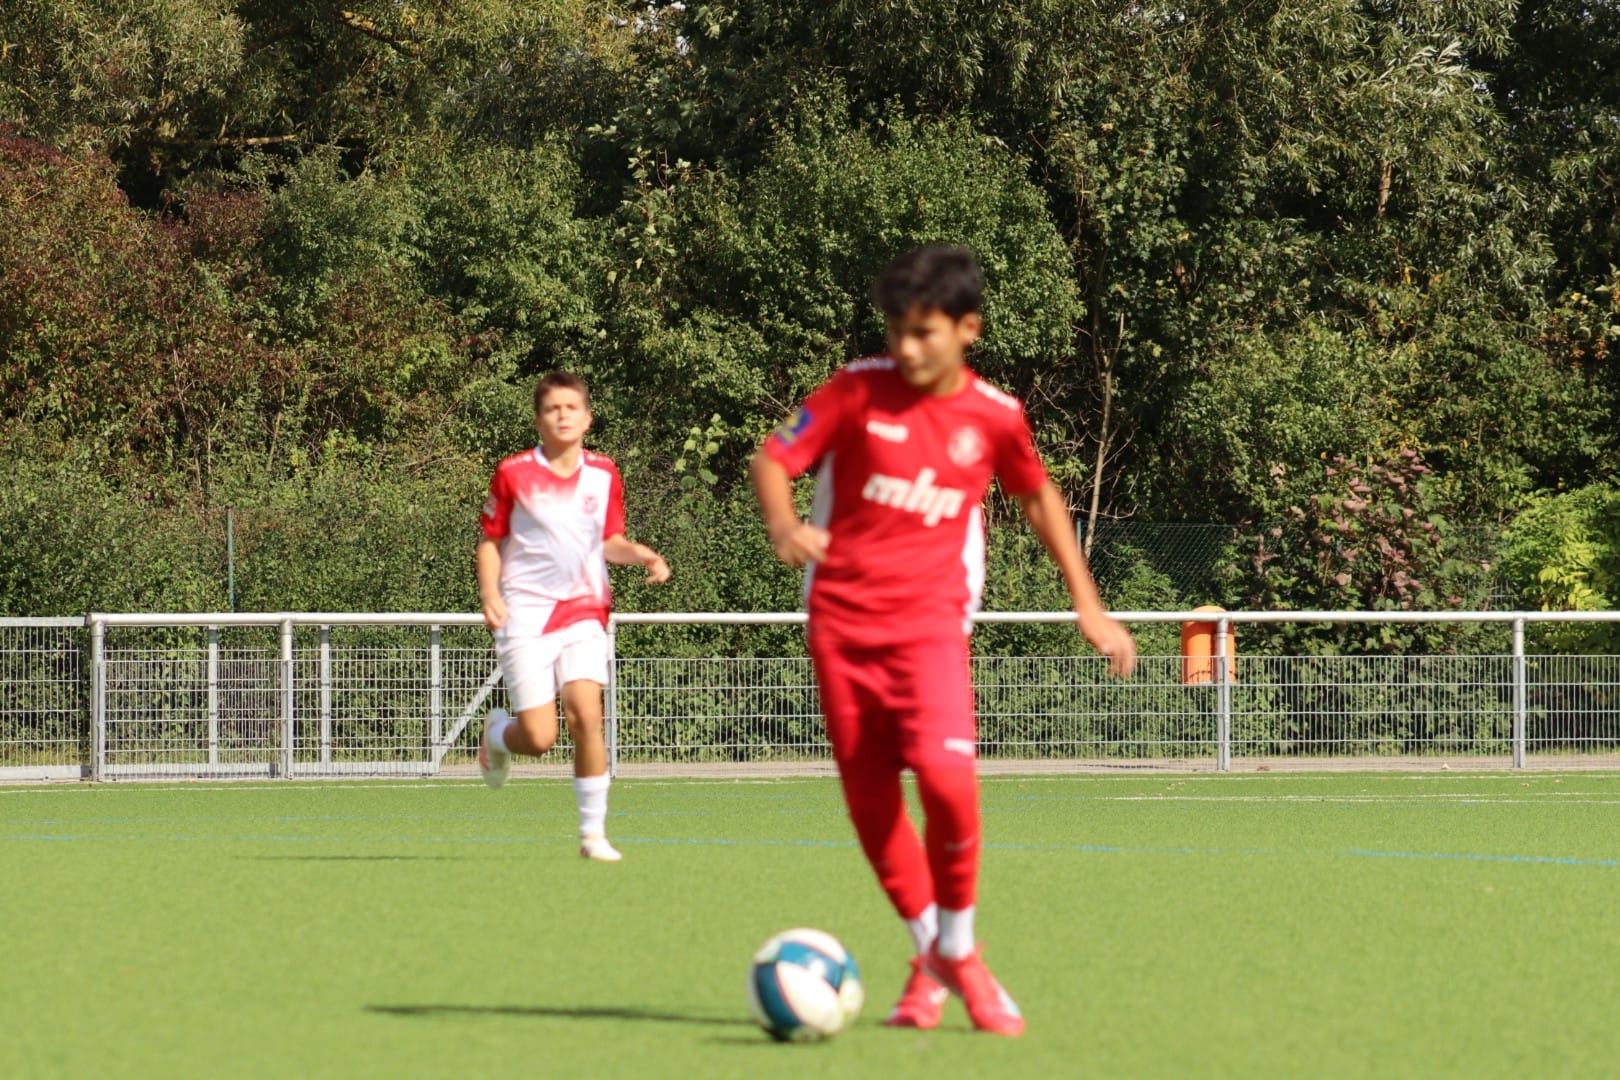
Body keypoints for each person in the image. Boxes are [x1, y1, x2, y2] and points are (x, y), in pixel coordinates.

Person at [750, 245, 1137, 1035]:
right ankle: (939, 955)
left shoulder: (995, 415)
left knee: (947, 781)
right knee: (871, 802)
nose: (906, 346)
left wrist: (1088, 604)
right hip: (841, 625)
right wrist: (784, 524)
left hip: (930, 622)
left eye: (923, 332)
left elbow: (1039, 499)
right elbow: (773, 456)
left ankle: (956, 949)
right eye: (896, 329)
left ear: (968, 329)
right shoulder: (855, 390)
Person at [476, 371, 670, 862]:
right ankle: (497, 735)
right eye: (552, 408)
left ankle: (592, 836)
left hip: (585, 609)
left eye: (571, 407)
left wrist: (641, 554)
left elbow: (609, 541)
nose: (562, 415)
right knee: (540, 738)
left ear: (588, 418)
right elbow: (491, 541)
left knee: (587, 714)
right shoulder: (514, 472)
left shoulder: (604, 472)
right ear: (538, 421)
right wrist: (490, 593)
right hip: (525, 613)